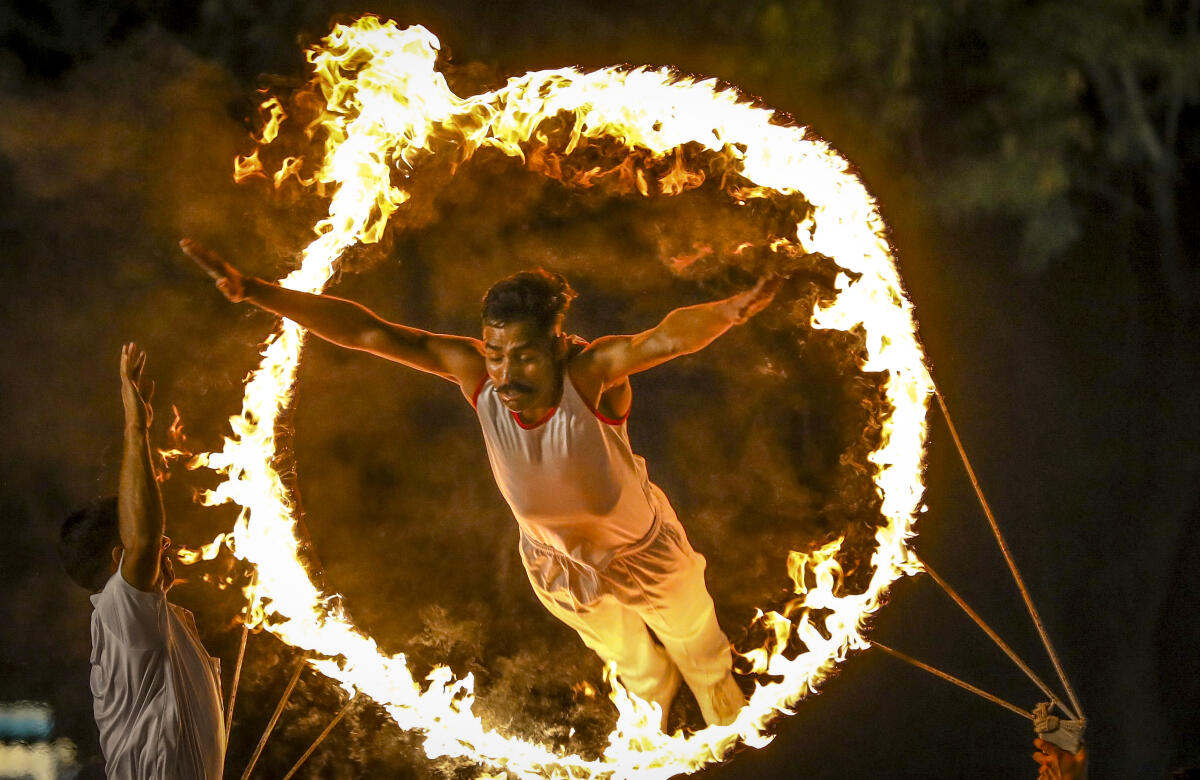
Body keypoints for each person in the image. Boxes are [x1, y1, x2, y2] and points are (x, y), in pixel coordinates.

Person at [181, 238, 781, 728]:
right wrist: (257, 291)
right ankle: (661, 742)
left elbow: (665, 337)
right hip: (556, 565)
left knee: (702, 654)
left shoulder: (589, 374)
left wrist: (729, 312)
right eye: (494, 353)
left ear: (555, 345)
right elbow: (367, 333)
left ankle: (733, 742)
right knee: (635, 668)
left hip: (646, 552)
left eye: (521, 357)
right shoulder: (477, 376)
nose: (503, 372)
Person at [58, 343, 225, 778]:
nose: (165, 543)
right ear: (121, 557)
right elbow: (146, 540)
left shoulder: (147, 623)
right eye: (147, 544)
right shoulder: (119, 612)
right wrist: (136, 428)